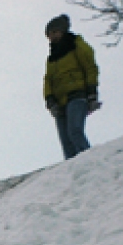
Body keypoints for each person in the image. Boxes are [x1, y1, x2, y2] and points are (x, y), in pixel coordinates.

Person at [44, 13, 100, 160]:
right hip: (59, 102)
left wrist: (92, 92)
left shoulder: (76, 46)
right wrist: (49, 99)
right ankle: (74, 169)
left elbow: (90, 67)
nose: (52, 36)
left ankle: (90, 161)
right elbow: (48, 80)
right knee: (66, 141)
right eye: (49, 34)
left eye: (55, 32)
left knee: (75, 131)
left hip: (77, 95)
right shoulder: (52, 57)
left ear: (63, 31)